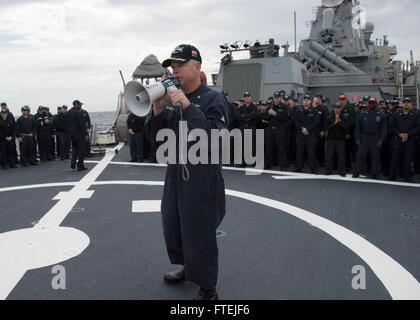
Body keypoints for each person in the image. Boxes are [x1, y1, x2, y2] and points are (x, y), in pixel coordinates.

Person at [145, 44, 228, 300]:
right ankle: (188, 267)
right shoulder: (170, 101)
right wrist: (157, 110)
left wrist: (189, 107)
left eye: (180, 65)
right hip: (176, 173)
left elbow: (216, 140)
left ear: (197, 67)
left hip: (202, 176)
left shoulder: (214, 99)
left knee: (199, 231)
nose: (175, 70)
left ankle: (207, 287)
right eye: (173, 66)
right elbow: (155, 140)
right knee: (174, 227)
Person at [353, 97, 387, 179]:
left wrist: (381, 139)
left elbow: (384, 129)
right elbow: (358, 128)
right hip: (364, 137)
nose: (371, 104)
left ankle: (375, 173)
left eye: (373, 102)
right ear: (368, 104)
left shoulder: (381, 115)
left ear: (376, 104)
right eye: (370, 103)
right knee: (360, 156)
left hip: (375, 137)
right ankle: (356, 172)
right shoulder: (363, 114)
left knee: (375, 157)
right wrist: (357, 138)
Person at [388, 98, 420, 183]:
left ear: (411, 104)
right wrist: (399, 134)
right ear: (402, 104)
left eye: (408, 103)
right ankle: (392, 175)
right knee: (394, 159)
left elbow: (417, 127)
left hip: (409, 140)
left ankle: (408, 176)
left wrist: (407, 134)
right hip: (397, 140)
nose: (406, 104)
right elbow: (391, 126)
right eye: (404, 103)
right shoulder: (396, 114)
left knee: (408, 159)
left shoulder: (415, 115)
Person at [294, 95, 321, 174]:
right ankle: (298, 167)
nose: (306, 101)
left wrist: (308, 129)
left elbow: (316, 122)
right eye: (305, 100)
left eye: (308, 100)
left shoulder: (315, 111)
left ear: (310, 101)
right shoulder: (298, 111)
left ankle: (314, 168)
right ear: (303, 101)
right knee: (300, 152)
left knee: (311, 152)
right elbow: (296, 121)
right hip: (300, 134)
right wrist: (302, 128)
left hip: (311, 134)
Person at [267, 92, 292, 170]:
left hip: (280, 130)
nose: (276, 99)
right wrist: (268, 114)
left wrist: (276, 114)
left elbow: (285, 118)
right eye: (275, 97)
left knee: (281, 148)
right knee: (270, 148)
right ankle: (269, 164)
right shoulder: (270, 106)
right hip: (271, 129)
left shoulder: (284, 107)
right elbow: (266, 117)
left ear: (280, 98)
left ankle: (283, 165)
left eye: (277, 97)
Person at [324, 103, 350, 177]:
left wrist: (339, 122)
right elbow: (326, 128)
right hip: (330, 139)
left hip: (340, 140)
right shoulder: (329, 117)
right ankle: (328, 170)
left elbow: (346, 128)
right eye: (335, 108)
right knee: (329, 156)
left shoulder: (344, 118)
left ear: (340, 109)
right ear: (333, 109)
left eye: (338, 108)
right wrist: (334, 123)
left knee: (341, 156)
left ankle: (341, 171)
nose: (337, 109)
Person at [67, 100, 88, 171]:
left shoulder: (68, 113)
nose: (81, 106)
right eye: (80, 105)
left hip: (71, 135)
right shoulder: (79, 113)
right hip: (79, 135)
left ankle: (73, 162)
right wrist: (85, 134)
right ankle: (80, 165)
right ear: (76, 105)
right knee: (81, 150)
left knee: (74, 149)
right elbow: (82, 125)